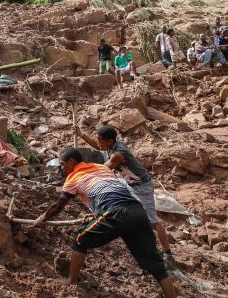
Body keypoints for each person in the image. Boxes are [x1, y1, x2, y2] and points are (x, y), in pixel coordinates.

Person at [33, 148, 176, 297]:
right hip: (138, 210)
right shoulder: (101, 167)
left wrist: (42, 218)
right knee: (158, 268)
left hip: (117, 211)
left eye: (62, 164)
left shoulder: (73, 178)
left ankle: (70, 280)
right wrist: (96, 215)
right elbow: (105, 191)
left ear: (71, 162)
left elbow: (58, 206)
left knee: (80, 239)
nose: (61, 168)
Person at [75, 125, 174, 267]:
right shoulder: (110, 146)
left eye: (100, 140)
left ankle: (168, 254)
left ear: (109, 141)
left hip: (142, 187)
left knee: (152, 222)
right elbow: (98, 147)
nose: (98, 143)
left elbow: (103, 170)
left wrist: (80, 177)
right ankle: (101, 215)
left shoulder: (118, 154)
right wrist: (82, 135)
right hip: (128, 184)